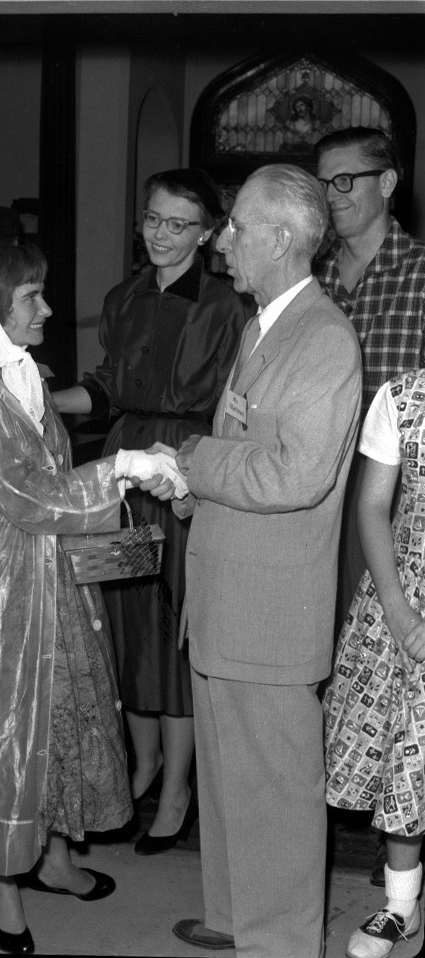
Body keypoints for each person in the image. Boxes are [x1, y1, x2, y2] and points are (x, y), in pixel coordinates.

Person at [0, 242, 188, 955]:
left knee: (60, 723)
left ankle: (55, 858)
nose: (48, 309)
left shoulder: (20, 374)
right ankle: (0, 885)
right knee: (5, 741)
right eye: (31, 296)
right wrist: (120, 467)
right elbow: (26, 495)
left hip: (50, 578)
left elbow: (51, 477)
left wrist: (121, 474)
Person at [151, 164, 362, 956]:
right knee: (230, 778)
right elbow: (247, 447)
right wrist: (189, 487)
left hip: (268, 609)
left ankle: (280, 943)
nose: (221, 241)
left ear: (278, 238)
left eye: (235, 226)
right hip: (226, 592)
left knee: (275, 787)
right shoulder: (262, 325)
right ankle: (237, 917)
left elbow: (297, 476)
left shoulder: (323, 338)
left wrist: (197, 459)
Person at [53, 168, 251, 854]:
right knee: (120, 618)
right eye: (152, 219)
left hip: (180, 471)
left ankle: (177, 791)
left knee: (169, 629)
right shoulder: (124, 297)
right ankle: (141, 766)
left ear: (208, 233)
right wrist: (38, 399)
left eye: (178, 224)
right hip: (121, 468)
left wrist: (199, 476)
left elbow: (233, 409)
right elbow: (106, 387)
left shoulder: (227, 306)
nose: (161, 234)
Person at [323, 369, 425, 958]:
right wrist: (400, 612)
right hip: (402, 596)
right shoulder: (403, 397)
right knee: (404, 753)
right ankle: (401, 904)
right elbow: (372, 506)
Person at [314, 127, 425, 630]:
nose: (331, 196)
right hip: (315, 475)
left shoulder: (419, 272)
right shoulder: (310, 277)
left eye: (344, 180)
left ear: (387, 183)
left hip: (392, 489)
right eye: (323, 184)